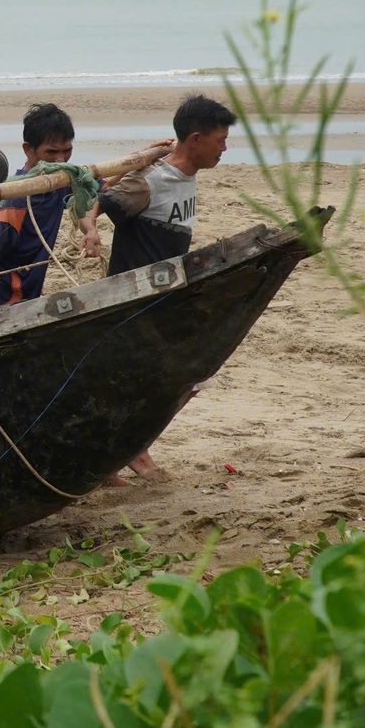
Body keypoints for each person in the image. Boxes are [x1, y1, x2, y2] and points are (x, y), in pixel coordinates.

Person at [88, 92, 236, 481]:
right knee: (149, 380)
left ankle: (128, 451)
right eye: (220, 139)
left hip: (166, 297)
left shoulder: (186, 176)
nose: (225, 147)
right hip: (134, 300)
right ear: (196, 139)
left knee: (188, 379)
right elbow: (101, 200)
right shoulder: (153, 181)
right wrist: (90, 228)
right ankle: (130, 452)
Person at [0, 103, 104, 315]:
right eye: (51, 152)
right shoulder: (12, 202)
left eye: (67, 151)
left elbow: (92, 196)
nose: (60, 159)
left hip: (30, 298)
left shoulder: (63, 180)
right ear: (28, 149)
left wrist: (91, 230)